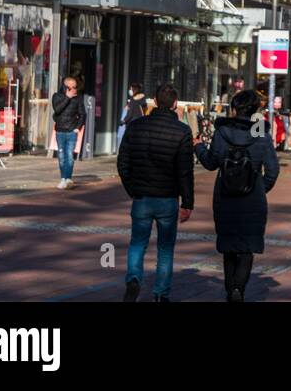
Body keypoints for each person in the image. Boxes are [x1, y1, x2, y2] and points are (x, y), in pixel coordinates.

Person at [195, 88, 280, 302]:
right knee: (247, 246)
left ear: (233, 109)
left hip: (225, 195)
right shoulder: (261, 132)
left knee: (229, 246)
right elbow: (272, 169)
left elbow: (210, 163)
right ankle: (238, 290)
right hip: (253, 198)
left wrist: (198, 147)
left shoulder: (222, 132)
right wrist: (260, 187)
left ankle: (229, 288)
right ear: (255, 111)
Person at [116, 82, 195, 302]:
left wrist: (131, 188)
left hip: (141, 196)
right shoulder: (182, 131)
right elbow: (185, 171)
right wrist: (187, 203)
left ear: (154, 101)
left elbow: (123, 162)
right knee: (165, 249)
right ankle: (161, 293)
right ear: (175, 104)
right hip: (168, 198)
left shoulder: (136, 126)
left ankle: (133, 280)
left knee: (137, 242)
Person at [50, 76, 86, 189]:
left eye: (75, 87)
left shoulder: (78, 98)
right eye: (72, 87)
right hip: (60, 131)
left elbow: (83, 114)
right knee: (61, 155)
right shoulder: (57, 96)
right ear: (66, 87)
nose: (75, 89)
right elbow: (57, 110)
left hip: (71, 131)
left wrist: (78, 128)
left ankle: (67, 178)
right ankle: (63, 179)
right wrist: (67, 97)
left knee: (69, 155)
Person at [118, 82, 147, 146]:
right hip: (140, 123)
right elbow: (144, 108)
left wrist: (123, 121)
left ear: (135, 89)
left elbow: (130, 114)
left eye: (131, 88)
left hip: (132, 124)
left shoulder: (133, 100)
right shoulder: (143, 98)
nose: (130, 90)